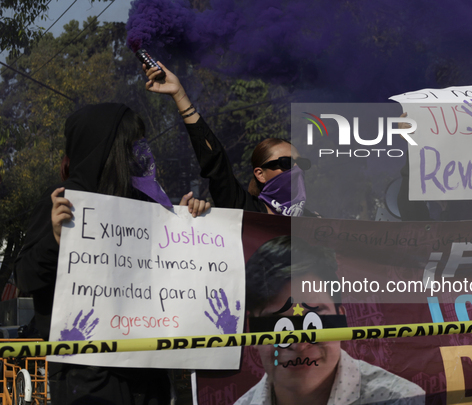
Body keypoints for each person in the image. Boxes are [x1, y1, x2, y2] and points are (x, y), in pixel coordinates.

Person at [15, 100, 200, 403]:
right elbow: (25, 278)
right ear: (105, 147)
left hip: (148, 370)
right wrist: (55, 238)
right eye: (132, 142)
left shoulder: (150, 206)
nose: (141, 151)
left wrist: (188, 229)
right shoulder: (64, 203)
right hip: (88, 377)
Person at [236, 236, 425, 405]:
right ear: (252, 332)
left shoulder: (402, 400)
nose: (299, 344)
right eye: (278, 325)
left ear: (341, 320)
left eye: (315, 321)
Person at [144, 63, 316, 217]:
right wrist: (179, 94)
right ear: (260, 174)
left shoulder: (315, 224)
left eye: (302, 164)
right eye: (287, 163)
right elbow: (216, 164)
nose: (297, 169)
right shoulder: (244, 211)